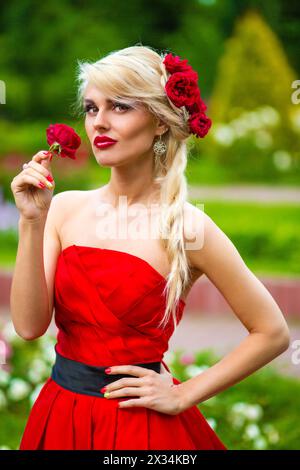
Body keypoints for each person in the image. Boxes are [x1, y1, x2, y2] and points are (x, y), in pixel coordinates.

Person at [10, 45, 290, 451]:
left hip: (138, 431)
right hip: (61, 417)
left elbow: (273, 332)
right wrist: (31, 222)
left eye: (120, 107)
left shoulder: (188, 227)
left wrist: (183, 393)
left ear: (160, 122)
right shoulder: (63, 209)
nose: (99, 123)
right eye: (91, 108)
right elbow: (29, 326)